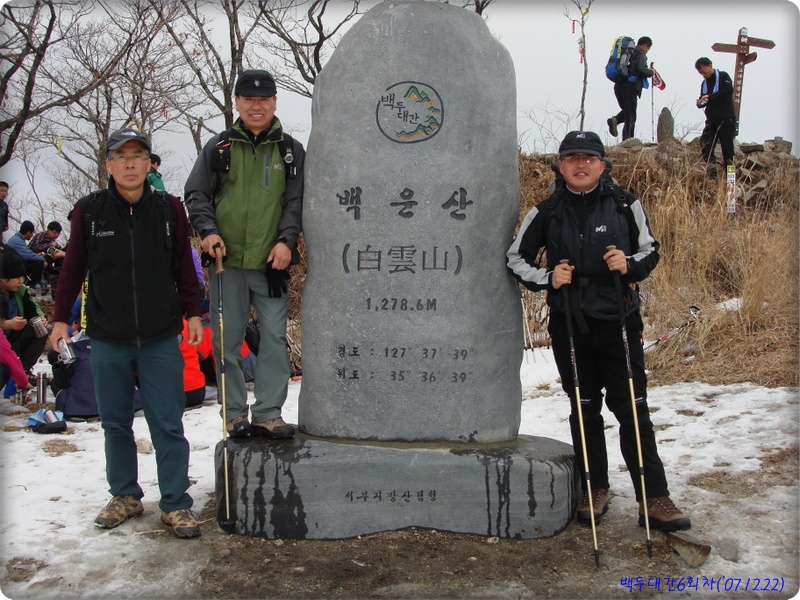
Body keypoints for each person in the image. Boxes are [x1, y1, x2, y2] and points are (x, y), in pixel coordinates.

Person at [506, 131, 691, 532]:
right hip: (569, 324)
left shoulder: (626, 204)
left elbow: (650, 250)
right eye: (571, 157)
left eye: (589, 157)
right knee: (584, 407)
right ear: (560, 165)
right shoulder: (547, 211)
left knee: (632, 408)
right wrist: (548, 277)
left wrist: (628, 263)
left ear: (603, 164)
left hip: (618, 322)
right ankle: (595, 487)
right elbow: (515, 258)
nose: (580, 164)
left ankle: (654, 497)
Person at [50, 127, 204, 539]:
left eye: (138, 155)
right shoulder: (90, 210)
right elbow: (73, 268)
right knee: (115, 423)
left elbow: (184, 269)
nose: (130, 163)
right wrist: (60, 318)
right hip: (108, 337)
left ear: (150, 163)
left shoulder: (169, 209)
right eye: (121, 156)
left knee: (167, 422)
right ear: (109, 165)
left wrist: (194, 313)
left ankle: (175, 503)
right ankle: (125, 495)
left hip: (159, 336)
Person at [185, 69, 305, 440]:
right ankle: (234, 414)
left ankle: (268, 412)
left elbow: (297, 201)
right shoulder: (219, 148)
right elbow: (196, 195)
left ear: (274, 103)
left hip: (272, 264)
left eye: (264, 99)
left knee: (272, 339)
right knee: (227, 340)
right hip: (226, 263)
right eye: (249, 99)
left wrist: (287, 240)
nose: (256, 106)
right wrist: (208, 232)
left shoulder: (290, 150)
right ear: (236, 102)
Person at [0, 250, 48, 380]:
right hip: (1, 343)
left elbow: (31, 309)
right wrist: (7, 324)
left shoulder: (20, 291)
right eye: (17, 277)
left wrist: (40, 318)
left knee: (41, 331)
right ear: (3, 278)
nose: (21, 281)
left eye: (22, 277)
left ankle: (23, 369)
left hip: (12, 338)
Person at [695, 57, 736, 177]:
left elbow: (728, 91)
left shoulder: (723, 76)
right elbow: (705, 98)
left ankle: (731, 177)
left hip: (726, 117)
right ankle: (712, 172)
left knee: (727, 149)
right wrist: (700, 103)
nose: (703, 74)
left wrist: (710, 96)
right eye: (700, 73)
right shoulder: (704, 83)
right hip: (711, 119)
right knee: (705, 144)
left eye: (703, 71)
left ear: (710, 65)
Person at [607, 36, 653, 141]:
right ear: (645, 46)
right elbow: (642, 70)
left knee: (628, 112)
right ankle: (628, 141)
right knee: (631, 116)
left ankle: (615, 121)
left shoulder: (627, 52)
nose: (647, 51)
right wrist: (651, 72)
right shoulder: (640, 54)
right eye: (648, 49)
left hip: (618, 86)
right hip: (630, 87)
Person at [5, 220, 47, 287]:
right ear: (28, 232)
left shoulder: (18, 239)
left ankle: (33, 283)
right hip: (13, 267)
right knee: (38, 263)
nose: (32, 235)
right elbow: (27, 256)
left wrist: (37, 255)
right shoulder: (17, 241)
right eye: (32, 233)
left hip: (16, 264)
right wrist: (42, 259)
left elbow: (27, 252)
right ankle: (33, 285)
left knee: (37, 260)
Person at [28, 220, 66, 292]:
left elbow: (59, 250)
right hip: (33, 258)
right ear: (48, 230)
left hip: (46, 259)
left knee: (59, 257)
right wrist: (50, 245)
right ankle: (34, 284)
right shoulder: (40, 236)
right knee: (41, 261)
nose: (56, 235)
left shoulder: (53, 241)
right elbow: (37, 247)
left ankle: (58, 278)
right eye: (54, 232)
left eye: (58, 233)